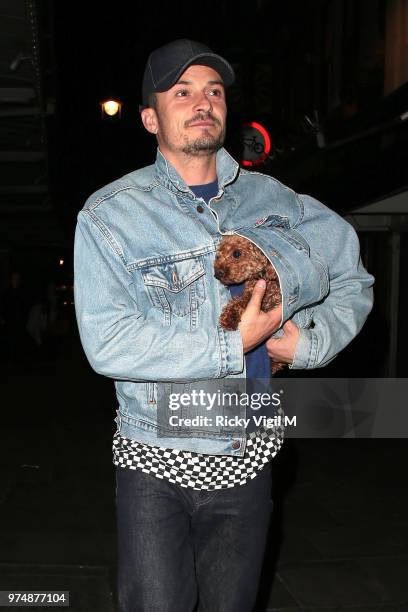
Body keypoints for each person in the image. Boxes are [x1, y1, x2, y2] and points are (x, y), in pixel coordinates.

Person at [74, 39, 374, 612]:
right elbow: (107, 341)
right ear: (149, 118)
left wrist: (306, 343)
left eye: (213, 90)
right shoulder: (110, 214)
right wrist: (233, 342)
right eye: (180, 92)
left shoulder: (277, 199)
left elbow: (353, 282)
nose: (201, 102)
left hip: (251, 450)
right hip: (154, 456)